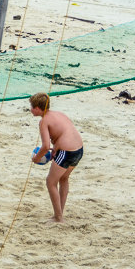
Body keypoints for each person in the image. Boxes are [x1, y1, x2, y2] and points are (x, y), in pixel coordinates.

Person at [29, 92, 83, 224]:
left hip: (67, 152)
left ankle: (59, 218)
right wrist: (56, 150)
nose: (30, 109)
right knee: (63, 179)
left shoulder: (43, 121)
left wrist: (37, 158)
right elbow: (65, 134)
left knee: (50, 182)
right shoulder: (59, 114)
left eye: (31, 107)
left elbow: (46, 146)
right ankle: (59, 214)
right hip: (79, 150)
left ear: (37, 108)